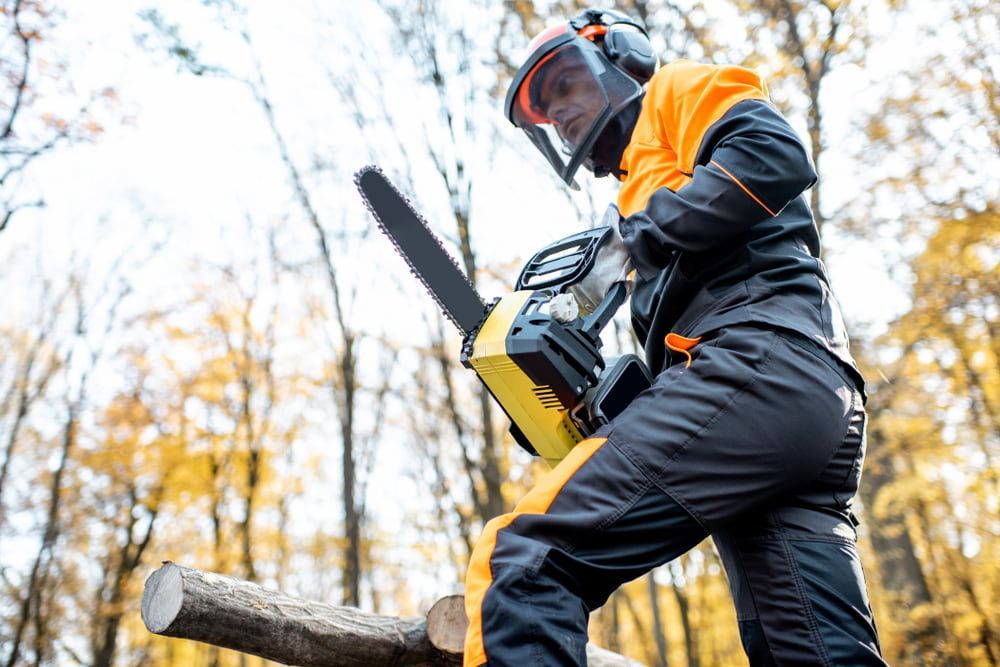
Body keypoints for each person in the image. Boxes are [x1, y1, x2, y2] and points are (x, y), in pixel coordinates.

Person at [463, 7, 886, 666]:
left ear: (620, 59)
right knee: (815, 652)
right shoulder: (643, 193)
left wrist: (632, 240)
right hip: (797, 404)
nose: (561, 114)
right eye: (547, 111)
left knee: (524, 558)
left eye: (565, 87)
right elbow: (672, 382)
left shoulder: (673, 93)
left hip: (760, 359)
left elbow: (772, 154)